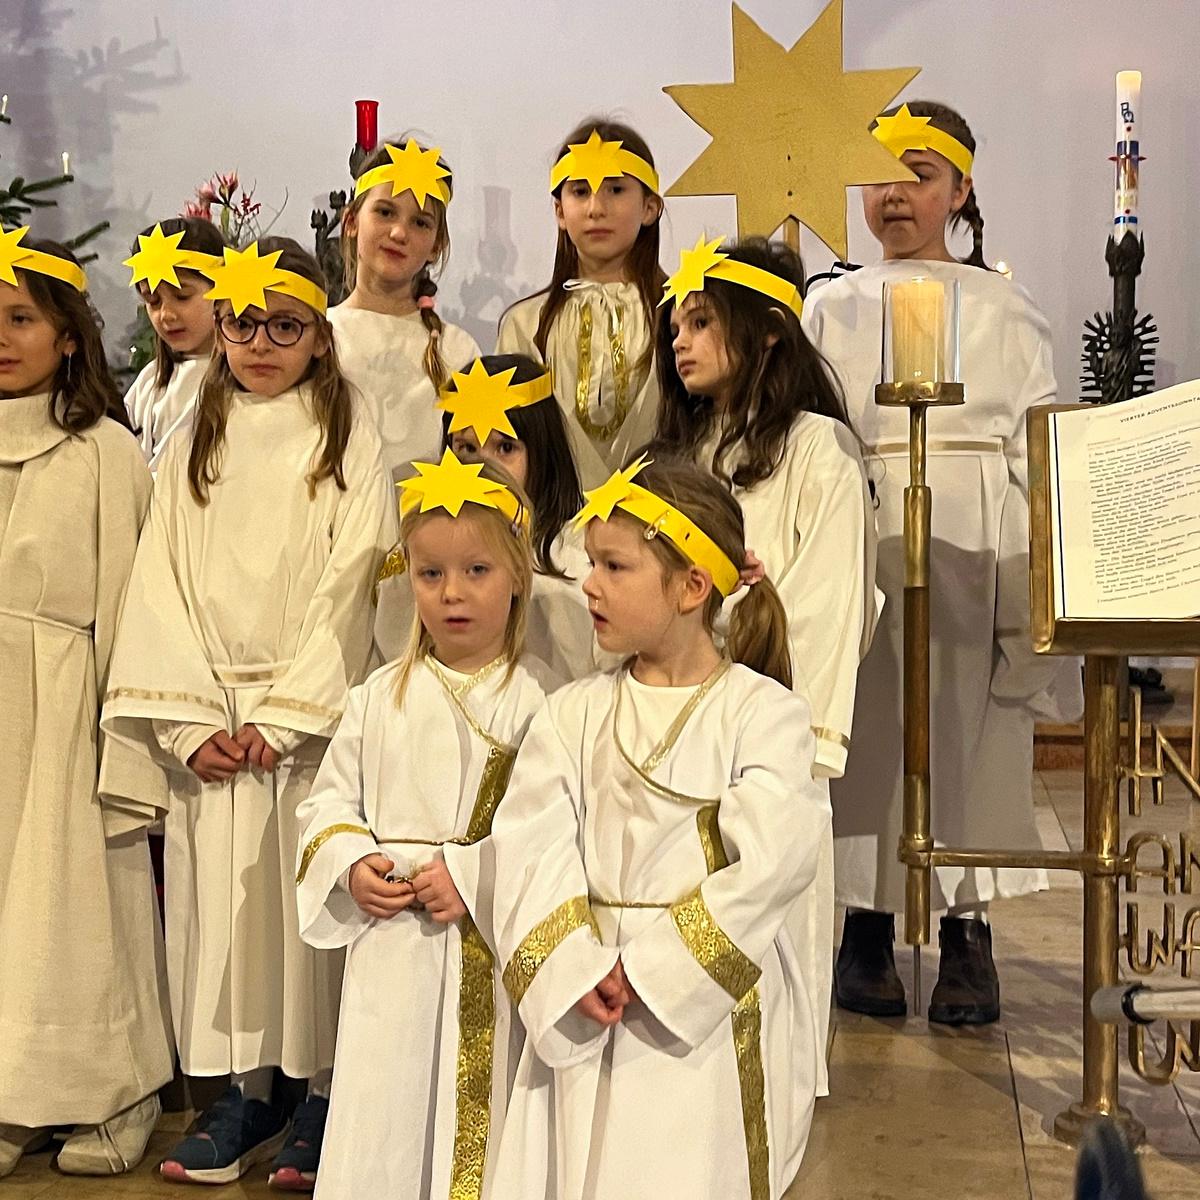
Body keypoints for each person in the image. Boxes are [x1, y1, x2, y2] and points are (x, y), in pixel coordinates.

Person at [102, 238, 394, 1185]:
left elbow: (356, 575)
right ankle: (242, 1090)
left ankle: (322, 1093)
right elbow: (158, 577)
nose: (260, 344)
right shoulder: (195, 433)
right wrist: (188, 722)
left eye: (285, 327)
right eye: (241, 324)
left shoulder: (348, 433)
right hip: (214, 720)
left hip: (304, 726)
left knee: (305, 918)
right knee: (224, 923)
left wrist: (287, 713)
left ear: (319, 336)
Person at [804, 101, 1082, 1024]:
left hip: (975, 540)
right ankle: (867, 925)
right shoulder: (830, 305)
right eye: (880, 174)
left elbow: (1036, 446)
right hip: (866, 527)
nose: (896, 195)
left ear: (960, 190)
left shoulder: (1005, 307)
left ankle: (969, 932)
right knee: (868, 729)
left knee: (973, 733)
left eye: (920, 176)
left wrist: (1033, 580)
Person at [488, 457, 830, 1199]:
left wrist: (652, 971)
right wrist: (576, 966)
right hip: (587, 997)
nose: (590, 584)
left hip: (703, 1019)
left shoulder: (762, 714)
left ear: (691, 587)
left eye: (615, 566)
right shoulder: (572, 714)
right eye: (592, 563)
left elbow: (772, 862)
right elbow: (529, 847)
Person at [296, 453, 553, 1198]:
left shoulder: (541, 705)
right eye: (430, 573)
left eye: (477, 571)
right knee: (387, 1110)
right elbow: (328, 804)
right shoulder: (378, 698)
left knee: (477, 1124)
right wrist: (351, 863)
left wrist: (472, 876)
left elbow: (550, 832)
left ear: (517, 576)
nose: (451, 593)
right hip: (391, 956)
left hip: (486, 946)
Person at [652, 234, 878, 1080]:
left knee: (766, 963)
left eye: (703, 322)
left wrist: (781, 742)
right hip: (678, 734)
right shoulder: (682, 454)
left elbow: (827, 607)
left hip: (768, 740)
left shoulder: (821, 449)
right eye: (677, 325)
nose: (681, 342)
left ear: (769, 331)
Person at [0, 231, 171, 1177]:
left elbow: (126, 603)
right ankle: (14, 1094)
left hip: (66, 702)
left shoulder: (105, 450)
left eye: (21, 318)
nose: (2, 337)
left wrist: (127, 742)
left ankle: (114, 1089)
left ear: (68, 335)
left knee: (75, 905)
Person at [497, 119, 665, 486]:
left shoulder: (676, 315)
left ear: (649, 208)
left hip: (665, 508)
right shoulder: (526, 325)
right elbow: (514, 441)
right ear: (560, 211)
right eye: (580, 191)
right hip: (555, 513)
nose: (596, 208)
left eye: (615, 190)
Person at [329, 136, 479, 480]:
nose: (399, 233)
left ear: (436, 246)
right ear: (351, 222)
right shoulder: (321, 337)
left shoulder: (457, 350)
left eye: (420, 222)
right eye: (385, 212)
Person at [122, 217, 225, 470]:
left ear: (221, 290)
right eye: (153, 301)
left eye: (182, 296)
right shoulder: (149, 382)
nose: (166, 315)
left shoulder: (242, 379)